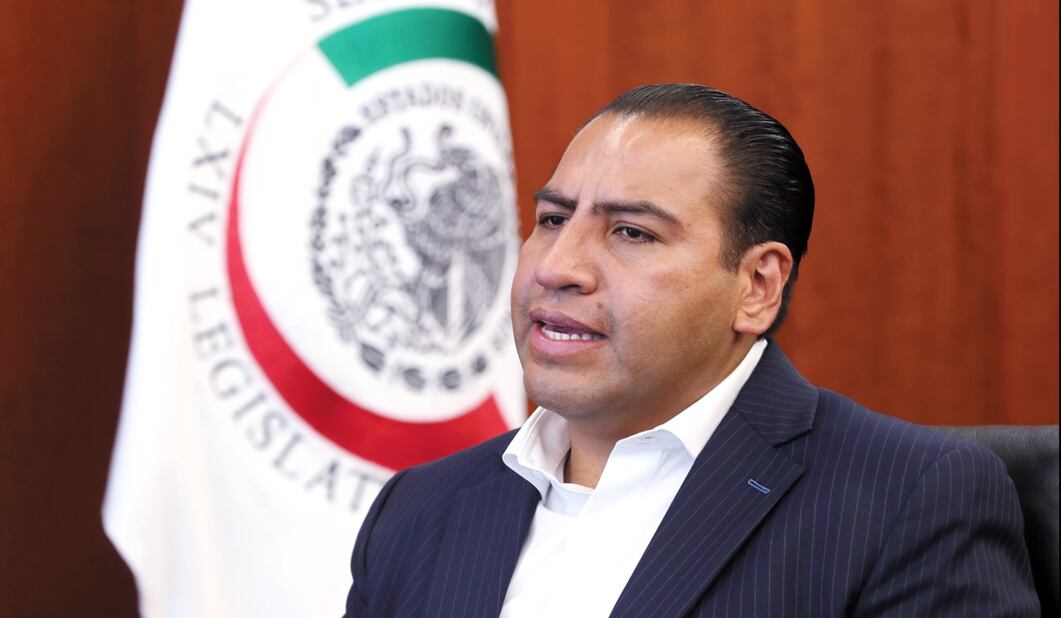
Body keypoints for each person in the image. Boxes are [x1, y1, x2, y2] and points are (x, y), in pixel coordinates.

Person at [343, 84, 1039, 617]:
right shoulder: (421, 509)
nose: (558, 266)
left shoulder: (907, 498)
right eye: (552, 220)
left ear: (755, 286)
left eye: (631, 234)